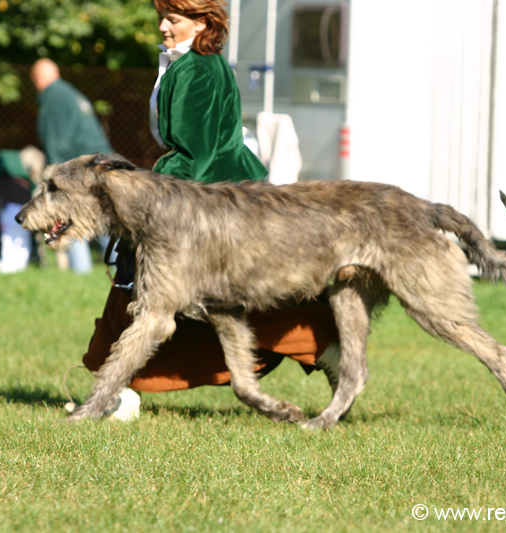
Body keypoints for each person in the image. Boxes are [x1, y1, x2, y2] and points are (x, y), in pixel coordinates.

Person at [79, 0, 340, 421]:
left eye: (174, 19)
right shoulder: (188, 63)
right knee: (164, 298)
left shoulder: (199, 69)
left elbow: (194, 155)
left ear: (202, 23)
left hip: (218, 201)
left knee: (194, 299)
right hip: (215, 195)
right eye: (161, 17)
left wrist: (140, 191)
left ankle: (321, 343)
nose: (163, 27)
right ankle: (122, 389)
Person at [30, 58, 113, 273]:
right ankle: (124, 268)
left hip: (81, 170)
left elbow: (56, 142)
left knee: (70, 218)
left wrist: (53, 180)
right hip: (103, 164)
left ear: (38, 79)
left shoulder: (52, 97)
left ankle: (81, 272)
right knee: (104, 220)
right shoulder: (70, 93)